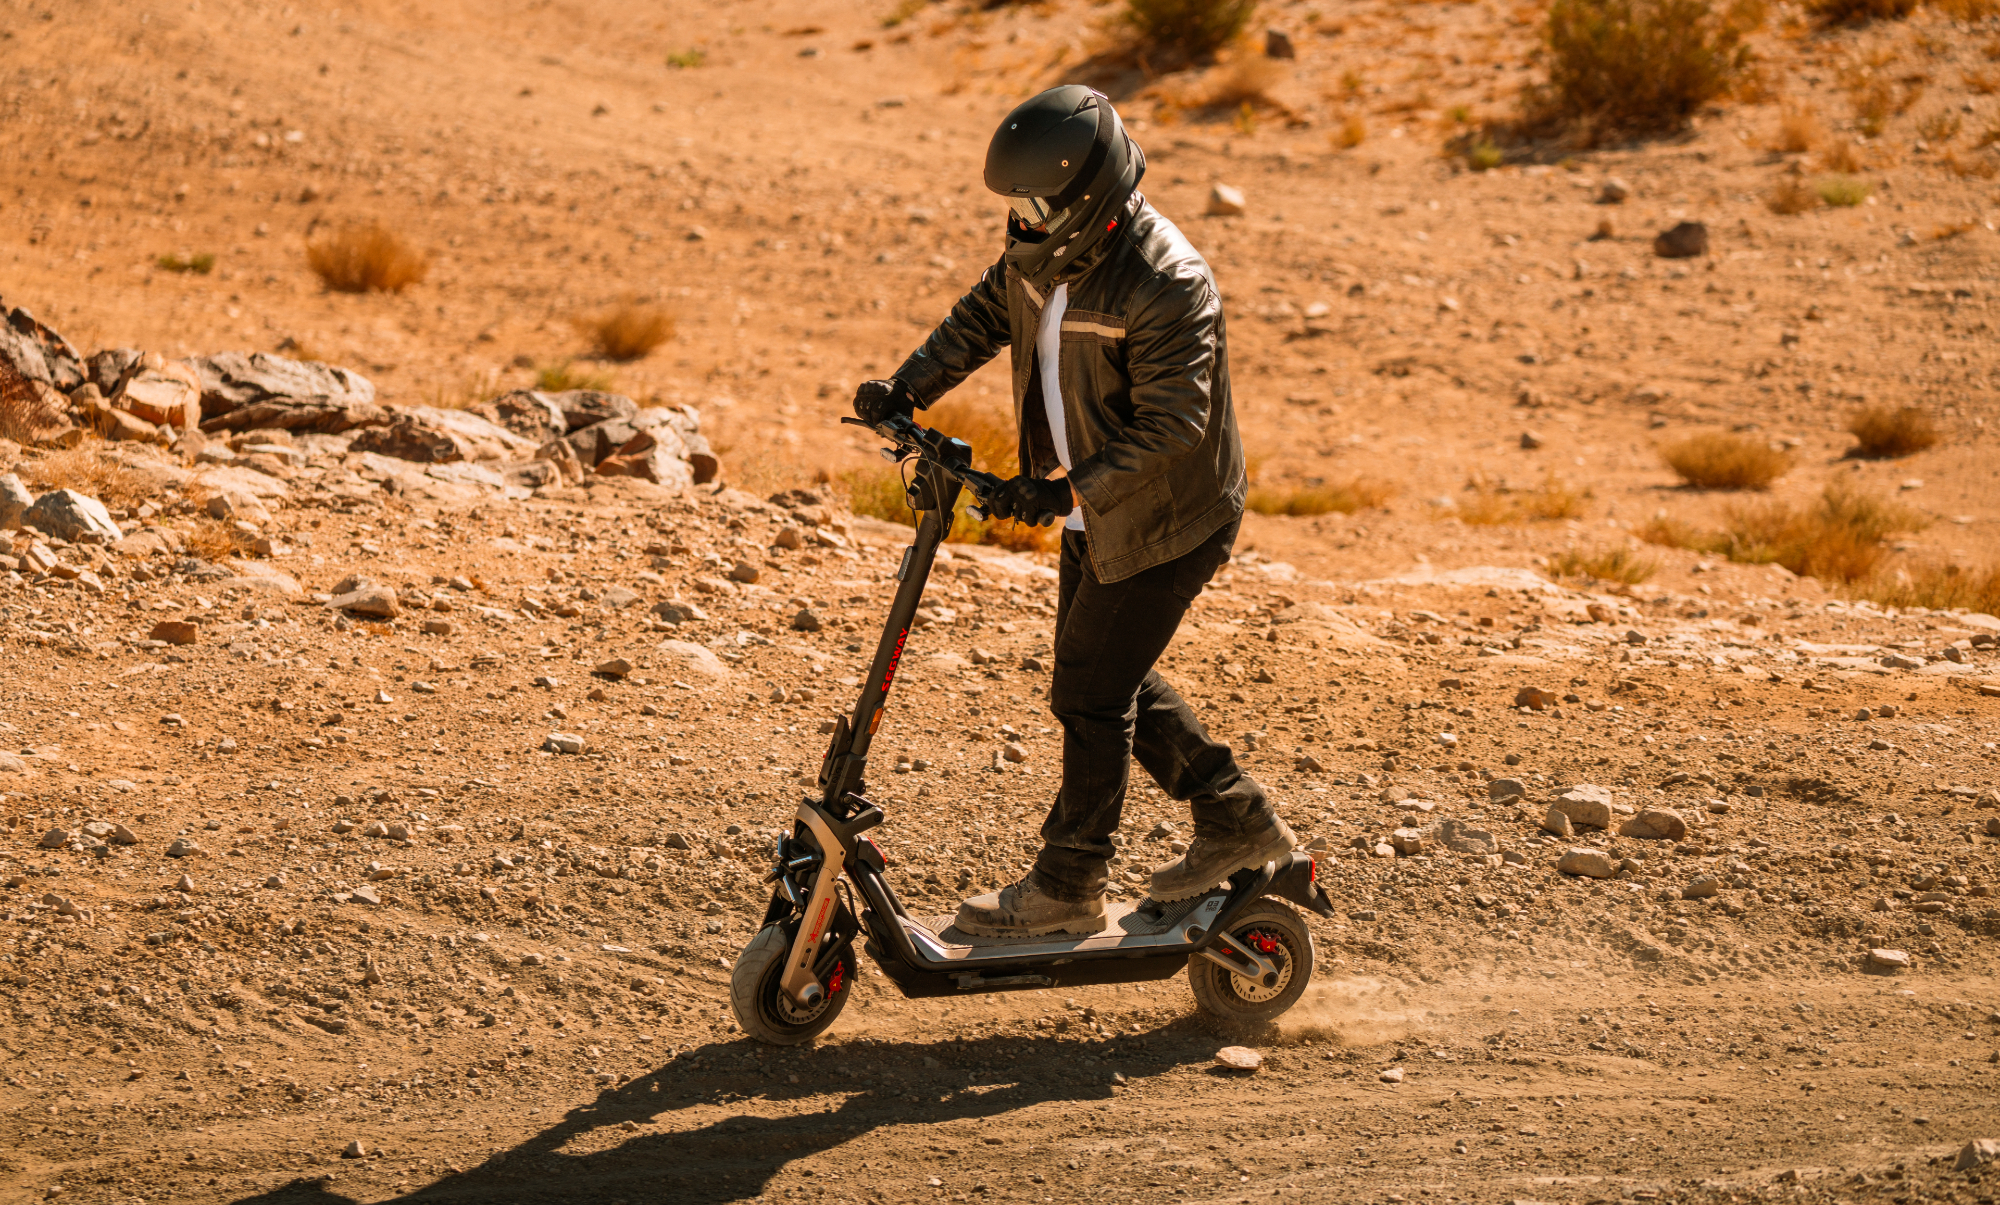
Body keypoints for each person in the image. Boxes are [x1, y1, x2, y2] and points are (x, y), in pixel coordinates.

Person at [850, 85, 1294, 937]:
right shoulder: (1042, 249)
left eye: (1036, 203)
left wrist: (1062, 490)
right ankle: (1235, 816)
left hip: (1167, 516)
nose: (1020, 219)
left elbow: (1174, 428)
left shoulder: (1168, 283)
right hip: (1098, 509)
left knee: (1090, 692)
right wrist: (908, 384)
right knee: (1104, 675)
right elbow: (986, 313)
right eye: (1013, 205)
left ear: (1089, 197)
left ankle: (1069, 884)